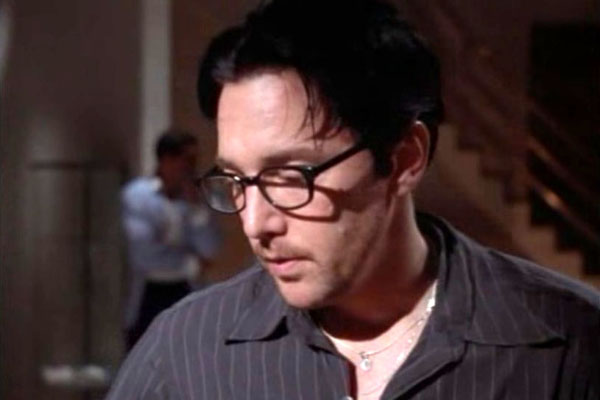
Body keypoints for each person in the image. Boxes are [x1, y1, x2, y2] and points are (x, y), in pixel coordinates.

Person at [106, 0, 600, 398]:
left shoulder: (568, 343)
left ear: (405, 159)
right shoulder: (184, 349)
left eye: (289, 176)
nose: (256, 224)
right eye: (236, 180)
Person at [120, 129, 220, 349]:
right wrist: (189, 260)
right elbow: (144, 254)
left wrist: (196, 208)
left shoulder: (200, 199)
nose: (192, 167)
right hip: (148, 292)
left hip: (187, 289)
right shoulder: (138, 196)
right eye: (187, 160)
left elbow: (210, 249)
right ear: (166, 160)